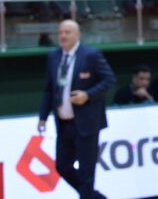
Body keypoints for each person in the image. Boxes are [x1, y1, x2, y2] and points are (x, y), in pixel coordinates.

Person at [38, 20, 115, 199]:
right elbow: (49, 89)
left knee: (86, 171)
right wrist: (43, 116)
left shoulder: (91, 55)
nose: (63, 36)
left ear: (78, 35)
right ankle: (95, 197)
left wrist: (87, 95)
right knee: (62, 166)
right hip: (64, 123)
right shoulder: (54, 57)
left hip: (86, 123)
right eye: (60, 32)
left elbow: (109, 80)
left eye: (67, 32)